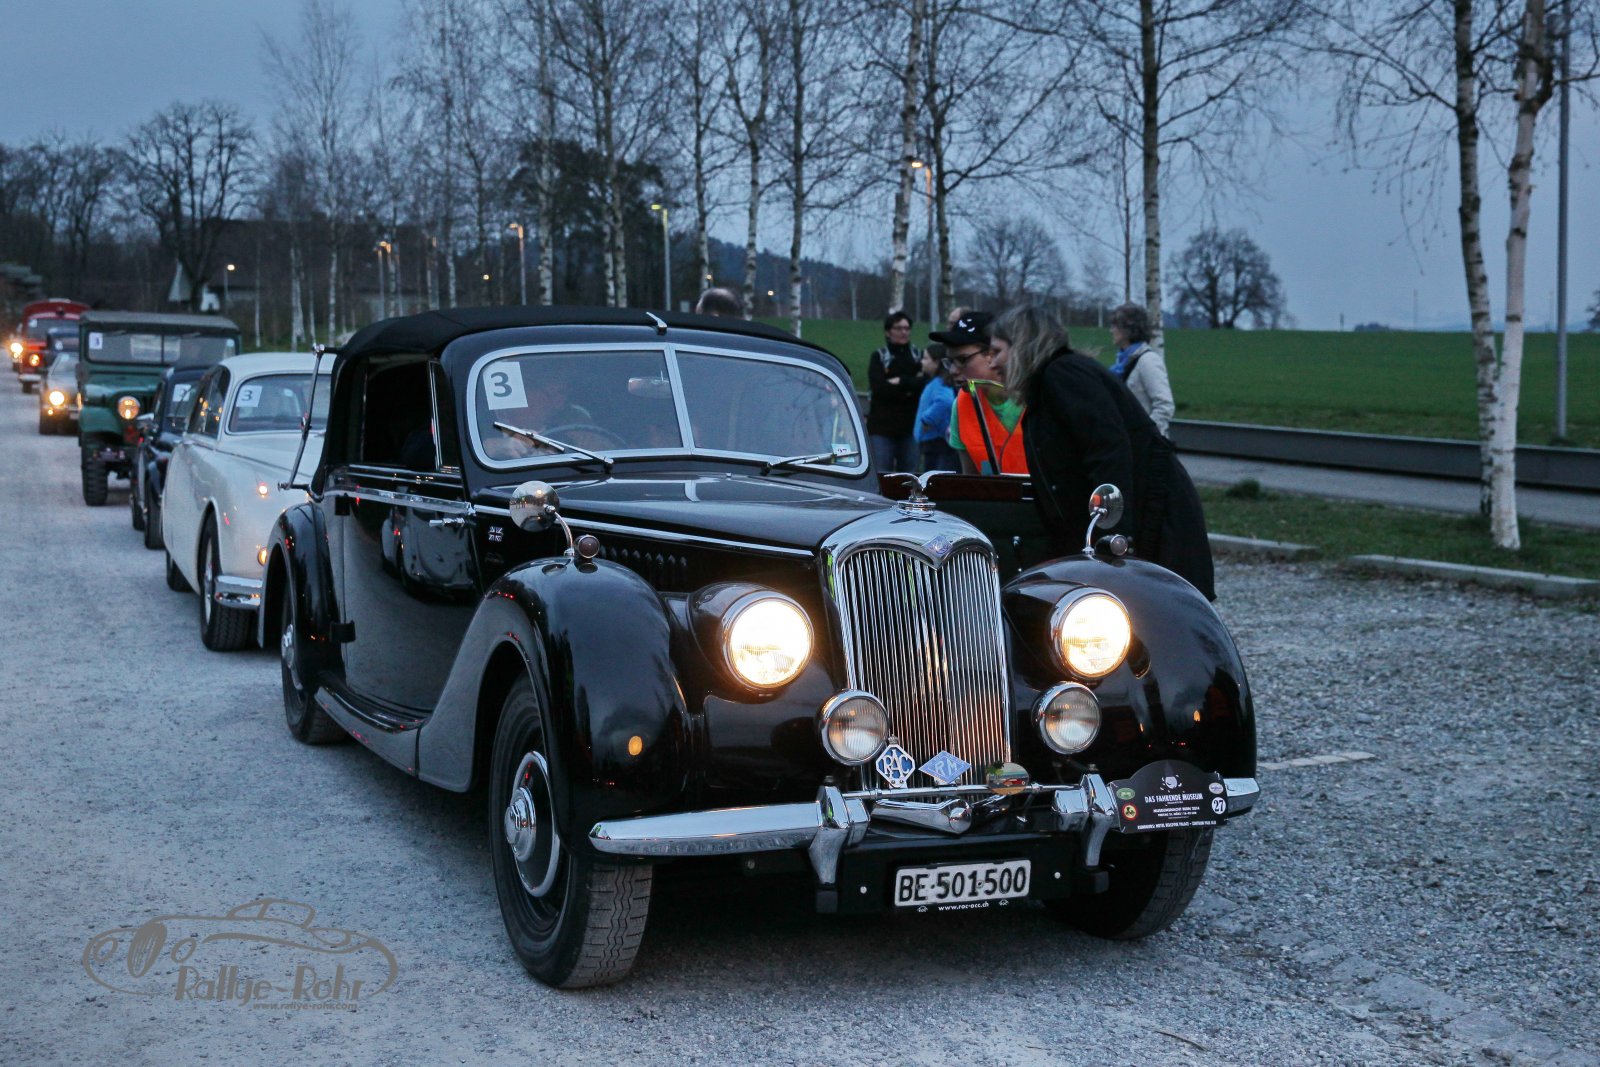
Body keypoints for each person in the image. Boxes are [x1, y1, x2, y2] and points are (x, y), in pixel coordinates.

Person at [995, 304, 1214, 600]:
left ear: (1022, 345)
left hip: (1151, 520)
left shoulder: (1063, 375)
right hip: (1139, 517)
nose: (993, 362)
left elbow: (1108, 451)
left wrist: (1112, 536)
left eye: (997, 351)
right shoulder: (1051, 384)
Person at [931, 310, 1027, 475]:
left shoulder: (1037, 398)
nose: (953, 370)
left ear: (993, 354)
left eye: (962, 359)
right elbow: (971, 480)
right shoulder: (962, 405)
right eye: (950, 361)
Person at [866, 311, 924, 472]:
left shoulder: (918, 356)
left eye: (906, 328)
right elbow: (879, 389)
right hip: (882, 429)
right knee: (882, 473)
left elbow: (923, 384)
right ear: (888, 332)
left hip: (910, 429)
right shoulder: (879, 357)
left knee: (910, 475)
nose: (903, 332)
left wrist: (900, 381)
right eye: (898, 328)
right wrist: (909, 390)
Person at [1108, 303, 1174, 438]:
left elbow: (1164, 405)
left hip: (1143, 445)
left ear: (1128, 329)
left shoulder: (1148, 361)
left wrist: (1146, 435)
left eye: (1115, 326)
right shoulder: (1121, 363)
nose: (1111, 330)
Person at [913, 343, 958, 473]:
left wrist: (927, 419)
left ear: (937, 362)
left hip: (936, 443)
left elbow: (945, 401)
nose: (922, 361)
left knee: (933, 477)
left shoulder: (940, 383)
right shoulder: (936, 382)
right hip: (932, 441)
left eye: (925, 358)